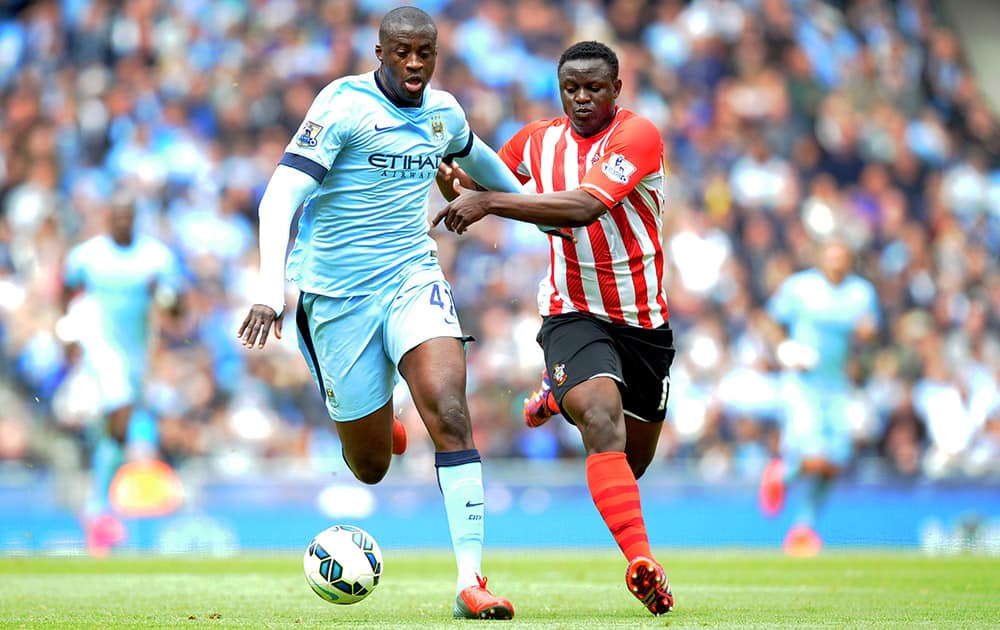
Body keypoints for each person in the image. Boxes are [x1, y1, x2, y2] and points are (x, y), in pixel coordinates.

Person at [236, 7, 519, 620]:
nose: (414, 63)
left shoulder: (444, 114)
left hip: (412, 276)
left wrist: (529, 208)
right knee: (370, 467)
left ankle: (472, 581)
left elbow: (481, 160)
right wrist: (269, 290)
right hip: (336, 298)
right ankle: (381, 411)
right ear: (380, 52)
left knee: (449, 410)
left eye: (425, 52)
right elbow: (280, 195)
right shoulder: (343, 106)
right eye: (402, 52)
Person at [434, 41, 675, 616]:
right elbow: (470, 182)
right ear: (559, 88)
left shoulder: (637, 138)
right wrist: (455, 185)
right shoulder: (536, 141)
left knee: (630, 464)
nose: (583, 98)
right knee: (601, 421)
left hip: (644, 324)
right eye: (572, 88)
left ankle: (556, 392)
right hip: (572, 311)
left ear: (617, 90)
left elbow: (584, 207)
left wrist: (487, 202)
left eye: (595, 88)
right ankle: (643, 563)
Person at [61, 196, 183, 556]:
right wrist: (66, 332)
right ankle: (98, 507)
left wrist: (162, 296)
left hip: (137, 351)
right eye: (115, 216)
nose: (120, 222)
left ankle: (97, 512)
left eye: (127, 216)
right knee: (122, 409)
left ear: (134, 219)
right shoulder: (87, 255)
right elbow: (66, 288)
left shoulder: (155, 257)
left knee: (117, 430)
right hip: (101, 344)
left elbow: (177, 307)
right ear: (106, 217)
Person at [757, 238, 879, 556]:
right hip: (804, 384)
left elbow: (871, 331)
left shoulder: (860, 293)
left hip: (838, 385)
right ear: (822, 257)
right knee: (814, 456)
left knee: (835, 461)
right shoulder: (800, 288)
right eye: (832, 253)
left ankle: (802, 529)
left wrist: (868, 335)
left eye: (842, 254)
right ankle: (782, 476)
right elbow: (769, 322)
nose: (837, 260)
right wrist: (785, 348)